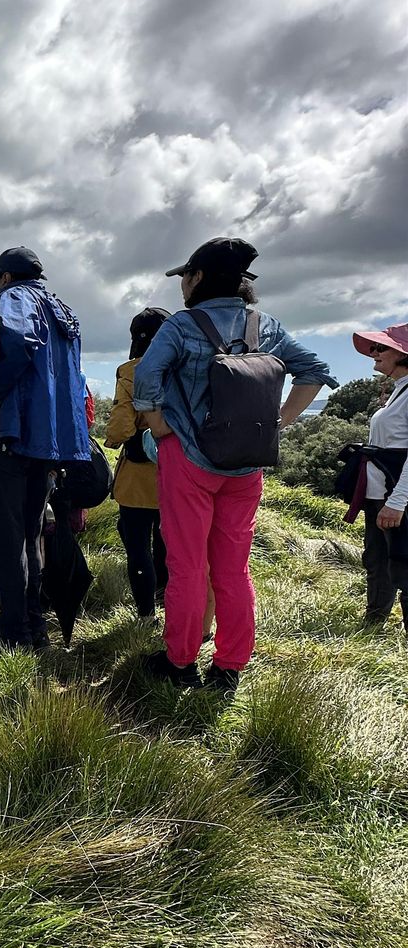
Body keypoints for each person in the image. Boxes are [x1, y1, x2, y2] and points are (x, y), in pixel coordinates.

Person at [134, 237, 335, 691]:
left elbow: (147, 376)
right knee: (233, 567)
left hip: (189, 459)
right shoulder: (266, 326)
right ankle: (229, 667)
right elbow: (315, 369)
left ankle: (180, 661)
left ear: (198, 277)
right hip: (246, 465)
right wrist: (277, 424)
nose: (182, 285)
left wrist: (160, 425)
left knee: (186, 566)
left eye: (185, 276)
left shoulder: (183, 324)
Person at [0, 246, 90, 652]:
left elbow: (16, 337)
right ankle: (34, 626)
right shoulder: (63, 310)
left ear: (4, 277)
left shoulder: (15, 298)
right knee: (29, 534)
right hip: (51, 440)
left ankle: (13, 632)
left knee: (4, 536)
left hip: (14, 430)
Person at [105, 308, 170, 620]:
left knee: (138, 547)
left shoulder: (131, 370)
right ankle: (174, 607)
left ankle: (145, 615)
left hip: (138, 477)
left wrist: (114, 440)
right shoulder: (184, 366)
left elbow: (119, 428)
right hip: (179, 472)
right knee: (168, 546)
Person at [349, 322, 408, 633]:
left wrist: (397, 502)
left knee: (402, 562)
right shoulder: (400, 390)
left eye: (381, 348)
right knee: (377, 557)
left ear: (403, 353)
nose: (373, 352)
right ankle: (373, 624)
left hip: (396, 497)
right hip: (378, 494)